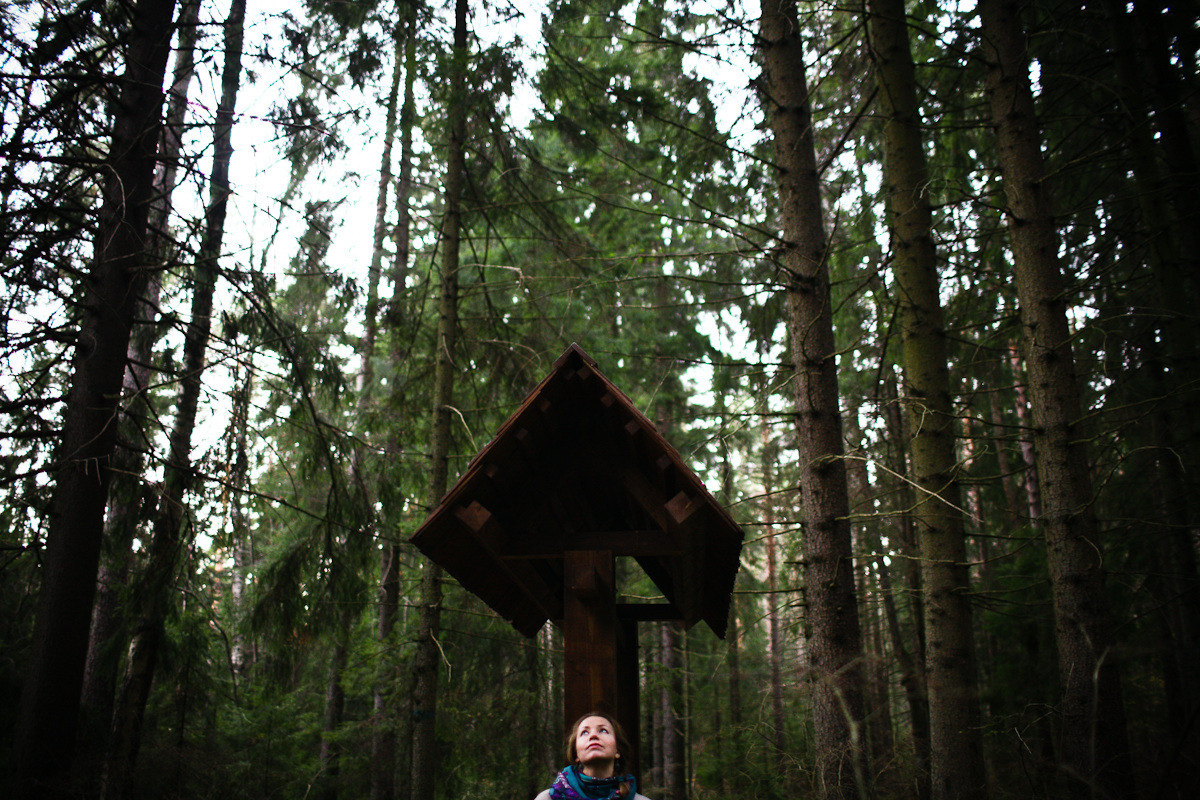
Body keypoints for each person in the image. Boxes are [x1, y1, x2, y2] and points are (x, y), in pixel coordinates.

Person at [534, 712, 652, 800]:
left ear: (617, 751)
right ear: (576, 755)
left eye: (603, 730)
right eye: (584, 732)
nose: (593, 736)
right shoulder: (548, 798)